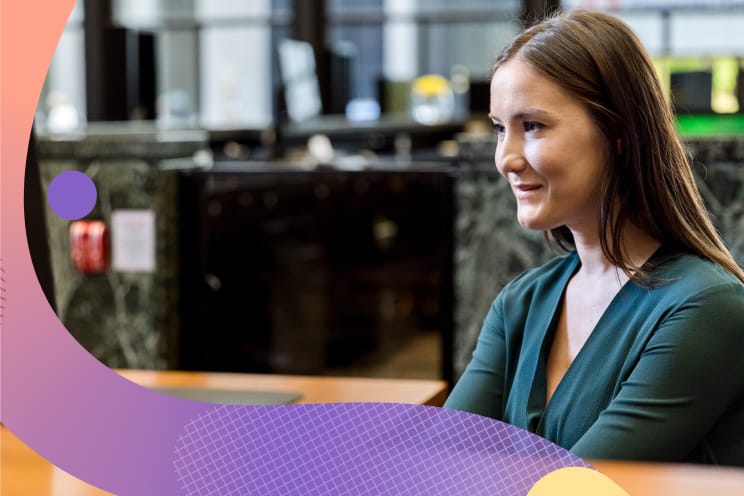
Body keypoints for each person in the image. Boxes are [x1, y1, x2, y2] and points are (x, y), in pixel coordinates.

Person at [444, 9, 744, 466]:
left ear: (618, 132)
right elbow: (440, 461)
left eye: (533, 126)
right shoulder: (521, 302)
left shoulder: (707, 307)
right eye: (500, 129)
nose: (505, 158)